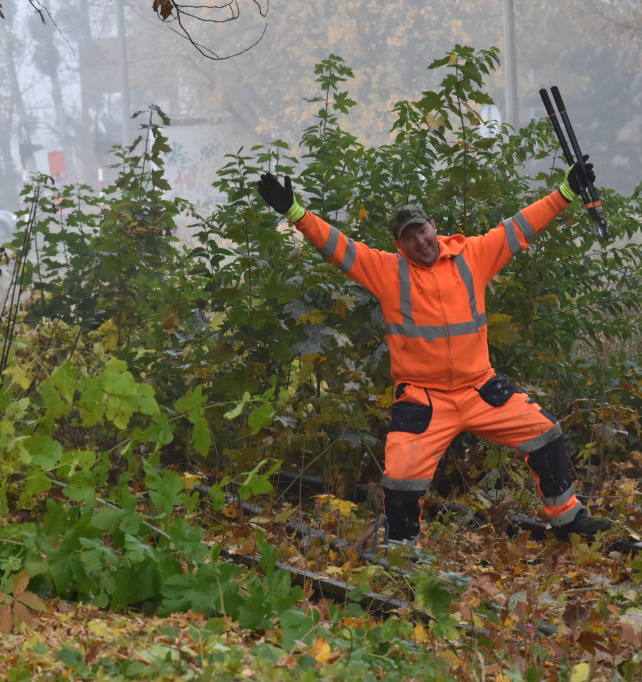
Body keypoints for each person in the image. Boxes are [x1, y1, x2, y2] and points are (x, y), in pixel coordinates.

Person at [256, 162, 612, 543]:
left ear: (433, 227)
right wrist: (295, 213)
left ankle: (568, 520)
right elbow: (337, 247)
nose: (419, 241)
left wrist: (566, 193)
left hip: (480, 389)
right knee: (400, 479)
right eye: (409, 238)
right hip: (423, 399)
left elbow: (521, 226)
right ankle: (403, 552)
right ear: (399, 245)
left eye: (422, 231)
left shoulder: (472, 256)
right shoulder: (387, 271)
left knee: (545, 433)